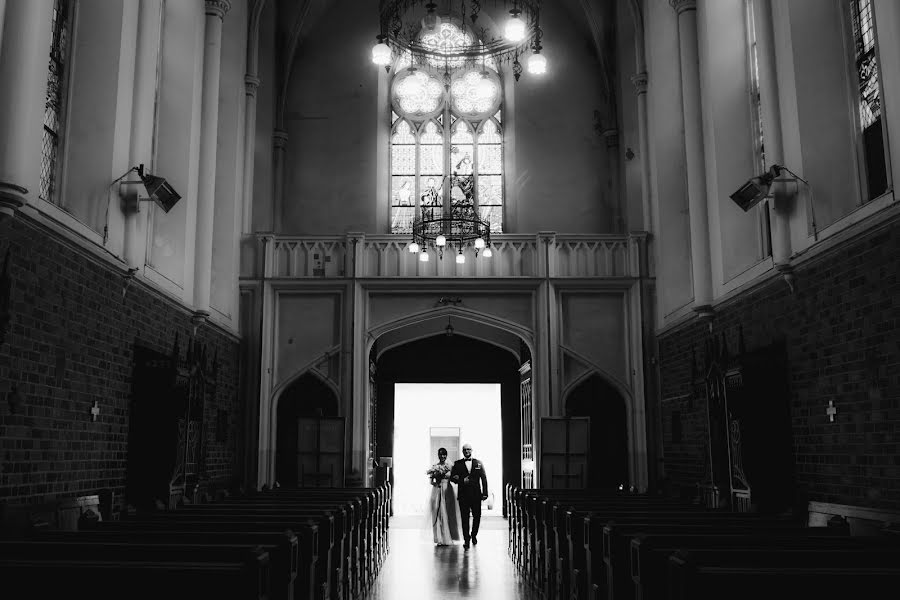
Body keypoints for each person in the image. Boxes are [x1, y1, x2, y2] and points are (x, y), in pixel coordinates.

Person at [450, 443, 488, 550]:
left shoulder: (478, 463)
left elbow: (484, 478)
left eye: (469, 449)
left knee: (477, 516)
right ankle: (466, 539)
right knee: (464, 518)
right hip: (463, 495)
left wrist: (485, 493)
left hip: (476, 495)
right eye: (465, 450)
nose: (467, 451)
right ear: (462, 451)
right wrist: (461, 480)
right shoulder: (457, 464)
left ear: (472, 450)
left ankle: (474, 535)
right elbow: (452, 478)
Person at [426, 447, 462, 546]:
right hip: (438, 489)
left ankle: (449, 536)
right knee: (438, 513)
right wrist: (437, 479)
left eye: (444, 454)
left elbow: (455, 479)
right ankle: (440, 537)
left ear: (446, 455)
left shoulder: (450, 466)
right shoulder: (435, 466)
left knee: (448, 513)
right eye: (441, 454)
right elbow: (431, 482)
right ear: (438, 455)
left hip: (448, 491)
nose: (442, 456)